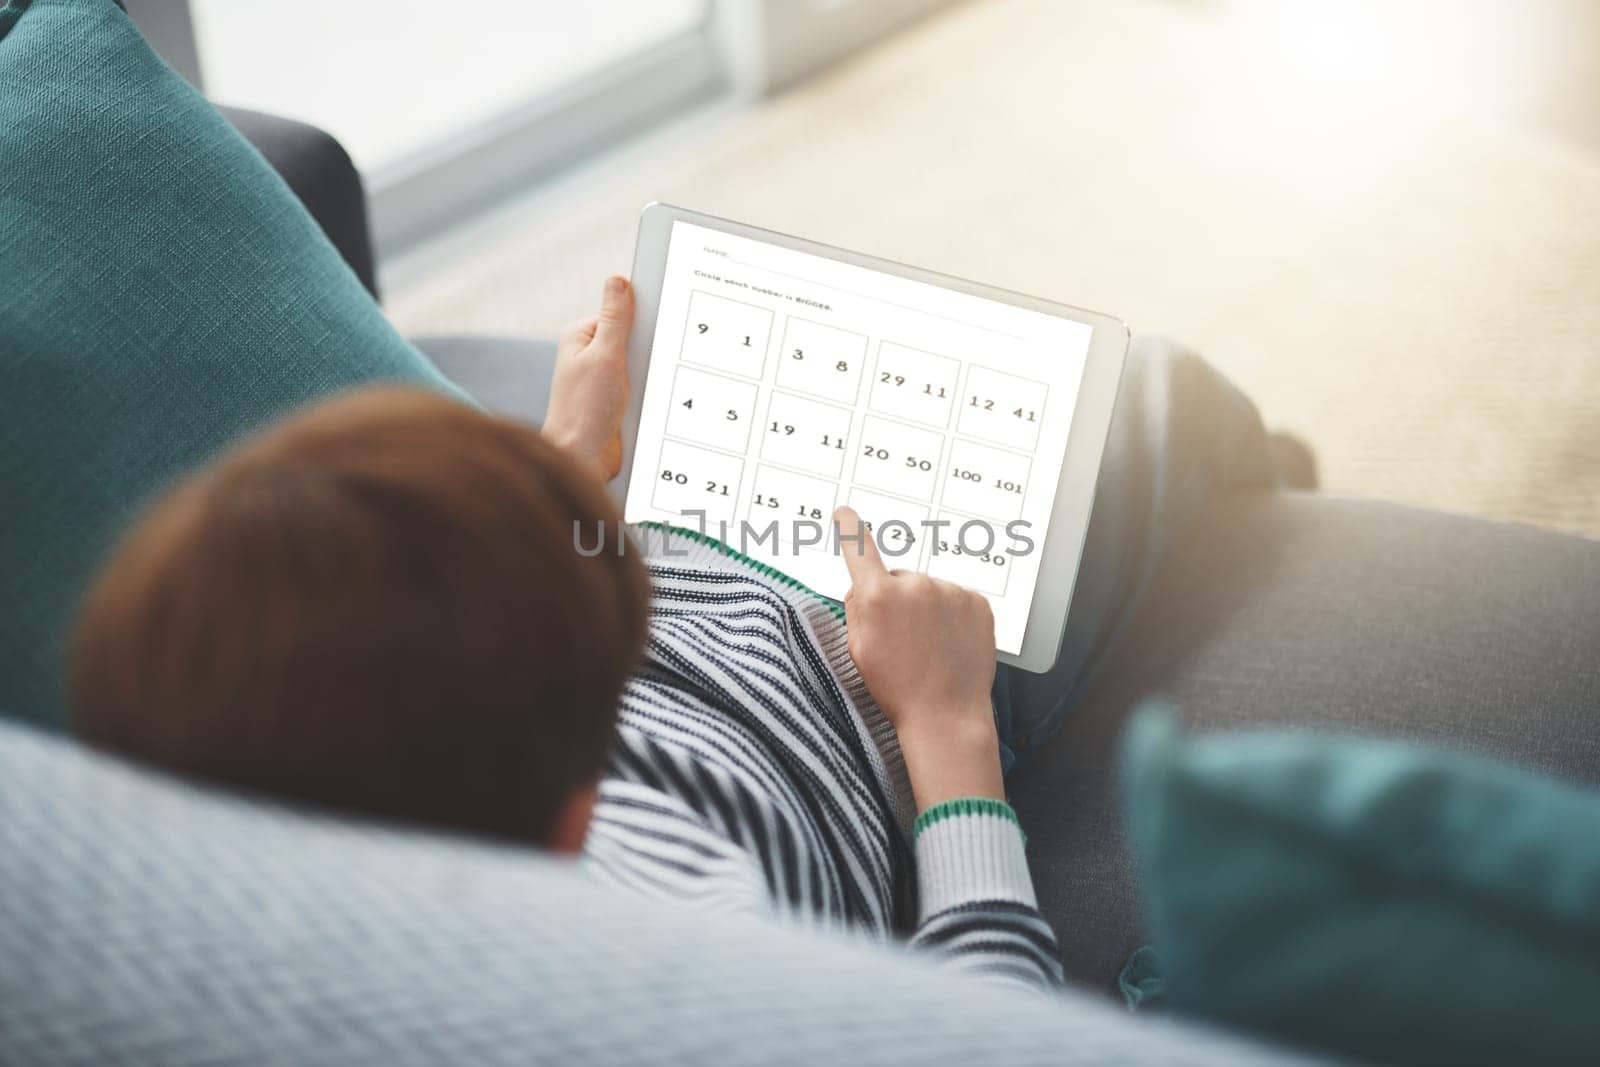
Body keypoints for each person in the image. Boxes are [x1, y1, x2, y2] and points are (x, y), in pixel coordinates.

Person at [70, 274, 1285, 997]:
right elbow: (985, 1025)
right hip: (888, 680)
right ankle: (1252, 473)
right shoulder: (697, 966)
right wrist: (948, 722)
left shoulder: (281, 836)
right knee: (1143, 392)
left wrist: (556, 479)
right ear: (575, 821)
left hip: (659, 562)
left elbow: (426, 645)